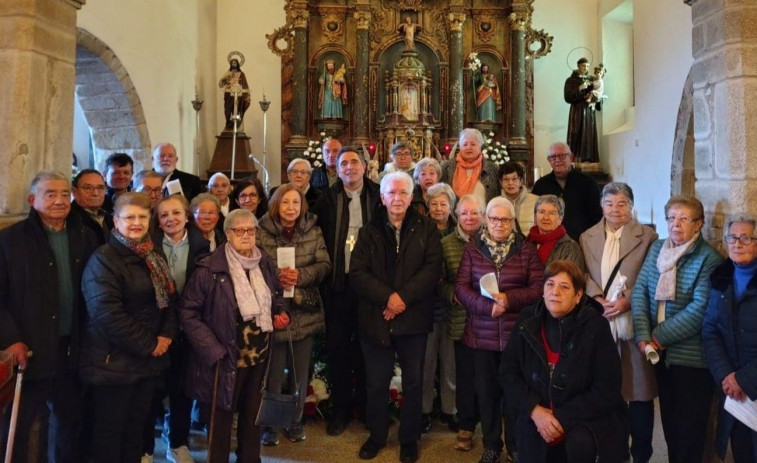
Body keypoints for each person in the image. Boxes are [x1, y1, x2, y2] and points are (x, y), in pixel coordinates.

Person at [0, 171, 97, 463]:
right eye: (50, 194)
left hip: (73, 347)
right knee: (20, 424)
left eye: (64, 194)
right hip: (30, 347)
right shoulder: (10, 241)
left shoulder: (85, 235)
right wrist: (11, 339)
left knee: (69, 422)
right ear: (32, 200)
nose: (59, 200)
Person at [179, 208, 291, 463]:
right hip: (225, 357)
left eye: (250, 230)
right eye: (239, 230)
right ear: (227, 234)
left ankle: (250, 459)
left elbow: (277, 295)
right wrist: (213, 349)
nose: (246, 235)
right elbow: (187, 313)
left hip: (259, 355)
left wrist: (281, 313)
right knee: (221, 419)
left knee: (253, 415)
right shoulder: (209, 268)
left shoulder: (264, 262)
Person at [350, 171, 442, 463]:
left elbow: (432, 270)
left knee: (414, 382)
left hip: (413, 317)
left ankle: (409, 438)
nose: (398, 198)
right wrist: (387, 298)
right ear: (382, 197)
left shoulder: (427, 228)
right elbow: (359, 273)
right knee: (377, 383)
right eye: (392, 193)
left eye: (404, 193)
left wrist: (401, 299)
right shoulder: (368, 231)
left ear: (411, 196)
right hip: (377, 317)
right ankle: (377, 436)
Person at [79, 192, 178, 462]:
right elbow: (106, 313)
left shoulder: (152, 253)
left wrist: (167, 334)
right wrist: (151, 344)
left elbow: (169, 298)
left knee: (136, 429)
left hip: (146, 364)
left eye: (142, 217)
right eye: (129, 217)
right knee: (110, 433)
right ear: (115, 221)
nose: (136, 222)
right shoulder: (104, 259)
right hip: (113, 363)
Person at [501, 260, 628, 463]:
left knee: (579, 445)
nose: (555, 292)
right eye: (550, 285)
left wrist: (561, 417)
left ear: (578, 296)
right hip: (537, 412)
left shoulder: (596, 327)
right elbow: (508, 372)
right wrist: (535, 410)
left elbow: (607, 389)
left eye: (564, 286)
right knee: (528, 439)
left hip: (584, 416)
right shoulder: (527, 320)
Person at [632, 195, 723, 463]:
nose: (676, 224)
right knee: (670, 425)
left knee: (690, 430)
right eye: (671, 217)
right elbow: (640, 293)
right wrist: (643, 335)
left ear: (699, 225)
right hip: (659, 355)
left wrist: (658, 337)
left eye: (684, 218)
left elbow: (699, 309)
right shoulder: (658, 248)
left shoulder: (708, 258)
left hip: (691, 358)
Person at [454, 196, 544, 463]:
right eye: (494, 218)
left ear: (513, 221)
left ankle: (515, 444)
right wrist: (485, 307)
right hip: (481, 336)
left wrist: (510, 299)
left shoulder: (526, 250)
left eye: (505, 219)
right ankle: (492, 445)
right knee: (488, 394)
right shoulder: (473, 249)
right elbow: (461, 288)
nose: (499, 224)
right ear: (486, 220)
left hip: (517, 336)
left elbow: (539, 288)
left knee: (516, 394)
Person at [579, 182, 658, 463]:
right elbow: (584, 274)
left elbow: (651, 278)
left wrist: (628, 300)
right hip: (602, 321)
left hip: (633, 321)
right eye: (610, 204)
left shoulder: (647, 236)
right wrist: (597, 297)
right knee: (606, 391)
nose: (615, 209)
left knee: (638, 393)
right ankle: (613, 451)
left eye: (622, 204)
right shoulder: (587, 236)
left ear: (631, 206)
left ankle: (641, 454)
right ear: (601, 206)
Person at [312, 146, 381, 437]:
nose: (350, 167)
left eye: (355, 162)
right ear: (336, 170)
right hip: (338, 286)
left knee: (369, 350)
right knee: (339, 350)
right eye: (344, 164)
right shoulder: (326, 198)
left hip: (371, 287)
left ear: (364, 167)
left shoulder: (379, 196)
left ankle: (367, 409)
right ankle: (340, 411)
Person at [257, 184, 331, 446]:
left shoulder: (312, 229)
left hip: (303, 308)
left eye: (296, 203)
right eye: (285, 203)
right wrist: (276, 276)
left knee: (300, 372)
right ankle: (272, 424)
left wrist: (300, 275)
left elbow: (324, 265)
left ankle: (295, 421)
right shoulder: (260, 231)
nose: (291, 208)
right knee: (273, 373)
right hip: (273, 310)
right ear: (276, 204)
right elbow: (251, 265)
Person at [141, 194, 210, 463]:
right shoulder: (148, 246)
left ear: (186, 216)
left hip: (186, 329)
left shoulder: (201, 245)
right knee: (151, 393)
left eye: (176, 213)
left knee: (181, 391)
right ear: (158, 221)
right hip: (155, 330)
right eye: (164, 215)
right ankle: (145, 447)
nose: (171, 219)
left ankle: (178, 443)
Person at [703, 213, 757, 463]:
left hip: (751, 382)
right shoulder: (720, 279)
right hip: (733, 388)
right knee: (741, 450)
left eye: (746, 238)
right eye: (732, 237)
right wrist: (726, 376)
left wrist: (744, 379)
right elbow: (710, 330)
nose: (737, 243)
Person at [439, 194, 484, 452]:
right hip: (460, 320)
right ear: (457, 214)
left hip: (489, 322)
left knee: (486, 377)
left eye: (474, 213)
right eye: (465, 213)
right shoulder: (446, 244)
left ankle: (488, 426)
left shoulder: (492, 241)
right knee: (464, 377)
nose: (469, 218)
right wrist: (451, 294)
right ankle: (466, 425)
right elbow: (438, 281)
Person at [420, 182, 457, 434]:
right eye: (433, 203)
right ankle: (423, 410)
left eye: (443, 203)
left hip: (454, 306)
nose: (438, 208)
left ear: (451, 206)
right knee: (426, 361)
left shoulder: (459, 229)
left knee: (451, 361)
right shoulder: (420, 230)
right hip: (426, 305)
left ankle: (450, 409)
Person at [531, 142, 602, 240]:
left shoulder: (588, 183)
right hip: (549, 242)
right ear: (549, 160)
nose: (557, 160)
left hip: (581, 241)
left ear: (571, 157)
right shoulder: (540, 185)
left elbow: (597, 216)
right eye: (553, 157)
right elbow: (535, 216)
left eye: (562, 156)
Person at [441, 128, 500, 206]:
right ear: (460, 147)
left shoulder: (493, 169)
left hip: (484, 215)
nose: (468, 147)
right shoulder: (447, 168)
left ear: (480, 147)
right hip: (454, 216)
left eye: (473, 144)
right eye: (465, 144)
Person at [526, 195, 586, 271]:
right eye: (541, 212)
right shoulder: (527, 242)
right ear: (535, 216)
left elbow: (569, 279)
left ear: (560, 218)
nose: (546, 217)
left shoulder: (570, 247)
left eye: (552, 213)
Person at [564, 57, 599, 163]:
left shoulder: (593, 79)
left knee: (589, 134)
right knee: (576, 133)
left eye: (587, 66)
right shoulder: (570, 81)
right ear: (578, 66)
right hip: (577, 111)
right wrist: (579, 89)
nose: (585, 68)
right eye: (583, 65)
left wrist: (597, 97)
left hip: (589, 111)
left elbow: (598, 93)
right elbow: (567, 97)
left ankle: (588, 159)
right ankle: (575, 160)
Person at [70, 168, 113, 246]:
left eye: (100, 188)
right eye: (88, 188)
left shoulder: (108, 216)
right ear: (74, 191)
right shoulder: (68, 218)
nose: (95, 193)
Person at [499, 161, 538, 234]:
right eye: (506, 179)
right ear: (501, 182)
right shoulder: (496, 203)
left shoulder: (536, 201)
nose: (510, 183)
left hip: (530, 244)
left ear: (521, 181)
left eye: (514, 179)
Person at [218, 57, 250, 130]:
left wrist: (247, 96)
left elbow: (245, 85)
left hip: (238, 96)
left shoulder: (241, 74)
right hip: (229, 95)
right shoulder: (227, 73)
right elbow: (221, 84)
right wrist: (225, 79)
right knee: (228, 111)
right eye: (232, 63)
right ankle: (229, 126)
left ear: (238, 64)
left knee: (237, 111)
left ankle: (237, 127)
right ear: (230, 64)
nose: (234, 64)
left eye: (235, 63)